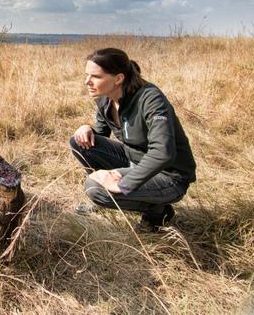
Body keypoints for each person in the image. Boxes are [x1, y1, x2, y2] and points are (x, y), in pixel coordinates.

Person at [69, 48, 197, 232]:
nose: (87, 82)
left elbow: (163, 153)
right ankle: (113, 195)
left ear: (118, 78)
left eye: (95, 76)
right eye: (87, 75)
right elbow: (99, 135)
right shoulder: (105, 98)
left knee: (94, 188)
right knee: (78, 143)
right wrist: (86, 128)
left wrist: (122, 184)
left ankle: (157, 211)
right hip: (134, 160)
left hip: (169, 176)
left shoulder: (151, 99)